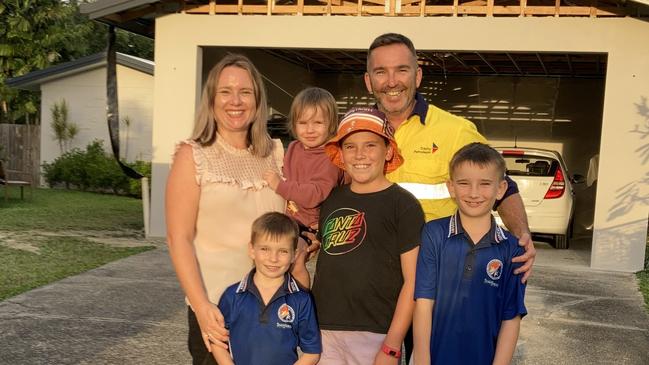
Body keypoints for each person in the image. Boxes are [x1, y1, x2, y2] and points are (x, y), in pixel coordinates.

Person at [364, 33, 536, 283]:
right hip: (373, 275)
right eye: (381, 72)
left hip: (438, 275)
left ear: (418, 76)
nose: (392, 82)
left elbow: (504, 187)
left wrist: (522, 236)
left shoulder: (456, 131)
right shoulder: (353, 133)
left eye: (401, 70)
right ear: (368, 81)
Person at [166, 54, 286, 365]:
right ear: (212, 99)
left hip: (273, 309)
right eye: (225, 91)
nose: (236, 101)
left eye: (245, 92)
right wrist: (201, 306)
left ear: (257, 101)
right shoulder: (192, 155)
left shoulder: (276, 154)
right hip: (219, 309)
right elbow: (178, 239)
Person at [311, 107, 425, 365]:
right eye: (350, 146)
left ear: (388, 151)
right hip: (323, 328)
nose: (360, 155)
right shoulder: (332, 199)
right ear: (340, 153)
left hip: (376, 333)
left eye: (370, 145)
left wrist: (392, 345)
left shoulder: (403, 205)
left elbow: (413, 281)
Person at [413, 142, 527, 364]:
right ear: (451, 187)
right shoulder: (433, 233)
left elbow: (511, 318)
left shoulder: (512, 248)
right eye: (464, 183)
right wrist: (422, 361)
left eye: (485, 184)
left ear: (501, 189)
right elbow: (423, 303)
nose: (474, 193)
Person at [211, 212, 321, 365]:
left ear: (294, 255)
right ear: (251, 250)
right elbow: (217, 342)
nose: (273, 258)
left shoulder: (301, 299)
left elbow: (312, 352)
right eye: (265, 249)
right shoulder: (232, 296)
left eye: (283, 251)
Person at [263, 87, 343, 287]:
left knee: (297, 260)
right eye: (303, 123)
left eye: (318, 123)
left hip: (312, 224)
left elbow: (314, 195)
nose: (309, 129)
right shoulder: (295, 148)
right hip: (291, 218)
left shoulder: (330, 157)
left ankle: (301, 304)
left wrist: (279, 185)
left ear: (331, 125)